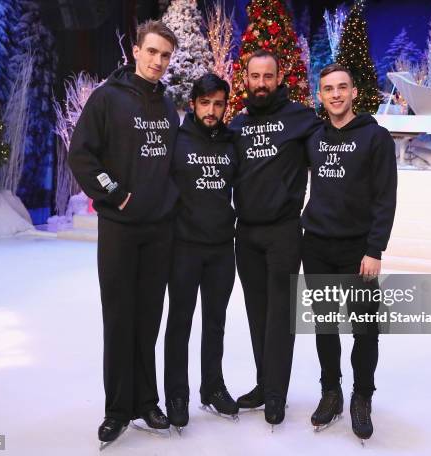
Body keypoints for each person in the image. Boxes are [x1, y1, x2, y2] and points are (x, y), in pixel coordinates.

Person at [68, 20, 180, 444]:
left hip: (159, 231)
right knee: (119, 319)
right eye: (152, 52)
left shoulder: (168, 107)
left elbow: (173, 163)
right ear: (136, 51)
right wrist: (116, 195)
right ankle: (117, 409)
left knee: (149, 319)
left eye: (165, 55)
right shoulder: (106, 99)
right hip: (119, 228)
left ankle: (146, 401)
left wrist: (169, 201)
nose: (158, 61)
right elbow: (82, 155)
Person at [302, 63, 397, 442]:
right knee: (324, 324)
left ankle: (362, 395)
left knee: (364, 328)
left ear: (354, 92)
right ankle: (331, 392)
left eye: (343, 87)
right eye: (328, 89)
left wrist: (375, 249)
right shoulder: (313, 136)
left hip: (359, 250)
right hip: (317, 245)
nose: (336, 94)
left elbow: (385, 198)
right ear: (320, 95)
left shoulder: (376, 138)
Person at [229, 49, 322, 427]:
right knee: (256, 313)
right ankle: (262, 382)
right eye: (255, 76)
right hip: (245, 232)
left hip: (284, 232)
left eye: (269, 76)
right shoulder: (236, 125)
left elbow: (332, 147)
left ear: (279, 78)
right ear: (246, 79)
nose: (262, 83)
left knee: (280, 316)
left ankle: (275, 395)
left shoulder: (301, 119)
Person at [163, 73, 240, 430]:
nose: (212, 110)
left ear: (226, 106)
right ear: (193, 103)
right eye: (205, 102)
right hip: (183, 248)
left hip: (223, 248)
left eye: (219, 104)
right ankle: (177, 394)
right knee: (179, 322)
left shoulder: (231, 141)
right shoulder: (176, 140)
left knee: (216, 322)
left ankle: (212, 386)